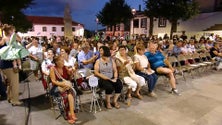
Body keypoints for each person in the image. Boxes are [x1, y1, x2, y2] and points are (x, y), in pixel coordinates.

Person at [49, 56, 77, 124]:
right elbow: (53, 81)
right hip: (56, 87)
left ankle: (71, 114)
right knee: (66, 95)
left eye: (63, 60)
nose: (63, 62)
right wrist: (63, 84)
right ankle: (68, 115)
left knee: (70, 94)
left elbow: (69, 79)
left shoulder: (65, 67)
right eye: (61, 61)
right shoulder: (53, 69)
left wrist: (71, 73)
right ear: (56, 62)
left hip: (65, 87)